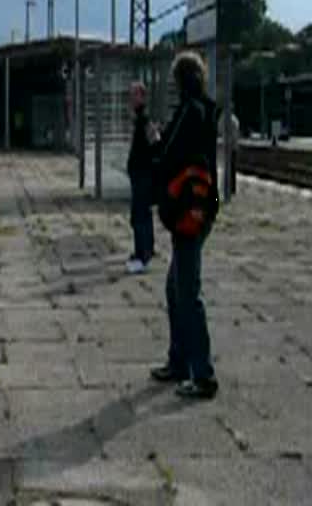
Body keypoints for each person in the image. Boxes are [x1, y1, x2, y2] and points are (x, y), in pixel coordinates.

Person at [149, 51, 219, 400]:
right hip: (202, 207)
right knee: (176, 289)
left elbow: (167, 155)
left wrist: (154, 142)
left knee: (186, 293)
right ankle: (179, 362)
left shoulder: (189, 111)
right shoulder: (206, 110)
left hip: (187, 211)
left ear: (180, 81)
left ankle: (202, 374)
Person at [125, 81, 157, 274]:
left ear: (142, 97)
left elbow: (154, 142)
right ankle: (144, 250)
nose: (131, 98)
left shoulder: (144, 120)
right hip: (139, 173)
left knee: (140, 215)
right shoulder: (139, 119)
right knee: (141, 214)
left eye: (134, 95)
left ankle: (142, 254)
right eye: (130, 95)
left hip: (142, 175)